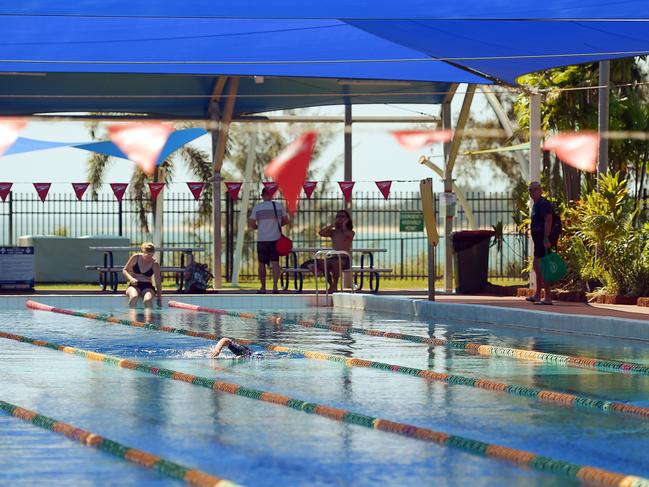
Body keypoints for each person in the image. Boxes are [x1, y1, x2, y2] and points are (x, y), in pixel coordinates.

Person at [249, 187, 289, 294]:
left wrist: (259, 227)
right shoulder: (279, 207)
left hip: (262, 239)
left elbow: (252, 224)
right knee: (275, 263)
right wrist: (276, 225)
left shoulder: (258, 208)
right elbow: (286, 220)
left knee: (262, 263)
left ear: (262, 196)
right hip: (276, 239)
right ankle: (275, 287)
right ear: (272, 195)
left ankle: (263, 287)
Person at [305, 210, 355, 293]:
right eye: (338, 216)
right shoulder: (333, 232)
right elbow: (321, 233)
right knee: (322, 263)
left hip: (344, 258)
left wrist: (344, 225)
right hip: (333, 257)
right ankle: (331, 285)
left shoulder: (350, 232)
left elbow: (348, 235)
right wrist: (332, 225)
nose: (340, 218)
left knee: (336, 263)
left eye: (342, 216)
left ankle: (335, 285)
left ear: (347, 219)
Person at [526, 181, 553, 305]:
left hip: (543, 241)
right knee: (537, 266)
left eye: (534, 190)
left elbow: (548, 220)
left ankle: (547, 296)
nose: (531, 192)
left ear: (540, 190)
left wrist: (546, 238)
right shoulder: (536, 205)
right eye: (530, 190)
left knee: (543, 267)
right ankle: (538, 295)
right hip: (538, 241)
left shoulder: (543, 204)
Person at [122, 242, 162, 308]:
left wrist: (159, 298)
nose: (149, 258)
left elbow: (158, 282)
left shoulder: (155, 263)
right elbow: (125, 270)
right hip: (134, 285)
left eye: (151, 255)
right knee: (134, 297)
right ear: (143, 252)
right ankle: (132, 317)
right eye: (147, 255)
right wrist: (131, 279)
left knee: (147, 300)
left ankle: (148, 317)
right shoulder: (135, 257)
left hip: (147, 286)